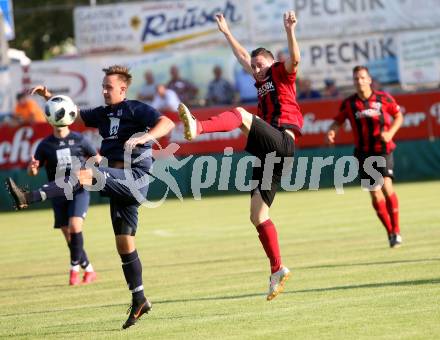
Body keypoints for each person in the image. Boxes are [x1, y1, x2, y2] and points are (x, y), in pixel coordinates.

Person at [6, 65, 175, 329]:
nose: (104, 91)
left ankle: (29, 197)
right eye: (103, 86)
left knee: (85, 172)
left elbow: (167, 122)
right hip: (118, 183)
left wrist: (146, 136)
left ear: (123, 89)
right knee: (124, 244)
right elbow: (71, 115)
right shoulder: (102, 114)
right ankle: (139, 298)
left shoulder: (134, 108)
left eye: (109, 87)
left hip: (135, 178)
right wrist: (49, 97)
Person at [178, 11, 302, 301]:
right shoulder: (261, 80)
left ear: (272, 62)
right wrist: (226, 32)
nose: (257, 70)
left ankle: (198, 126)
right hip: (270, 153)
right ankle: (277, 268)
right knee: (257, 215)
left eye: (261, 65)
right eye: (255, 66)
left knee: (240, 114)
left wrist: (290, 31)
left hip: (283, 140)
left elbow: (295, 60)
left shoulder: (281, 73)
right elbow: (243, 55)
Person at [326, 65, 404, 248]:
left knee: (386, 186)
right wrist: (331, 131)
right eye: (356, 79)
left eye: (362, 77)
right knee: (376, 196)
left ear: (369, 79)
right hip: (363, 153)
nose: (359, 81)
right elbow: (338, 121)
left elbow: (399, 116)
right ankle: (391, 233)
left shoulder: (383, 98)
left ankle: (397, 230)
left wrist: (390, 133)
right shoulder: (349, 103)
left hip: (383, 149)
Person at [28, 124, 100, 285]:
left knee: (75, 227)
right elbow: (33, 171)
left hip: (79, 190)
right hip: (58, 194)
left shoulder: (80, 139)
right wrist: (32, 168)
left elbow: (98, 159)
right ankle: (89, 269)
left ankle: (73, 270)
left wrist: (93, 170)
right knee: (69, 237)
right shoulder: (45, 144)